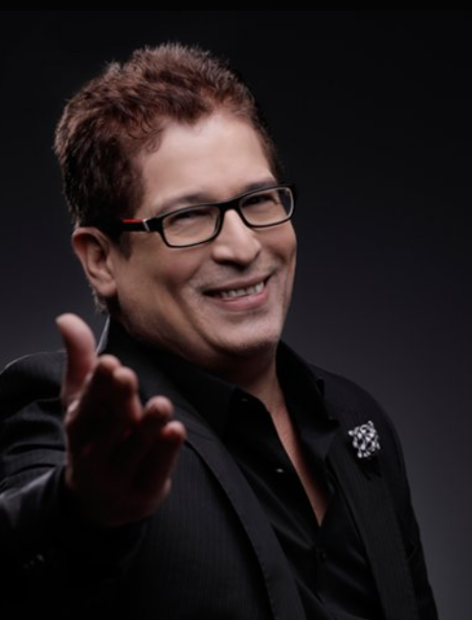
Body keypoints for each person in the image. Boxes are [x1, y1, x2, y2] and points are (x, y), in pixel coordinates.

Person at [0, 44, 437, 619]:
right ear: (101, 259)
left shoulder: (359, 418)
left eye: (258, 200)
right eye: (188, 216)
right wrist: (83, 512)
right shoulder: (64, 415)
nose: (243, 246)